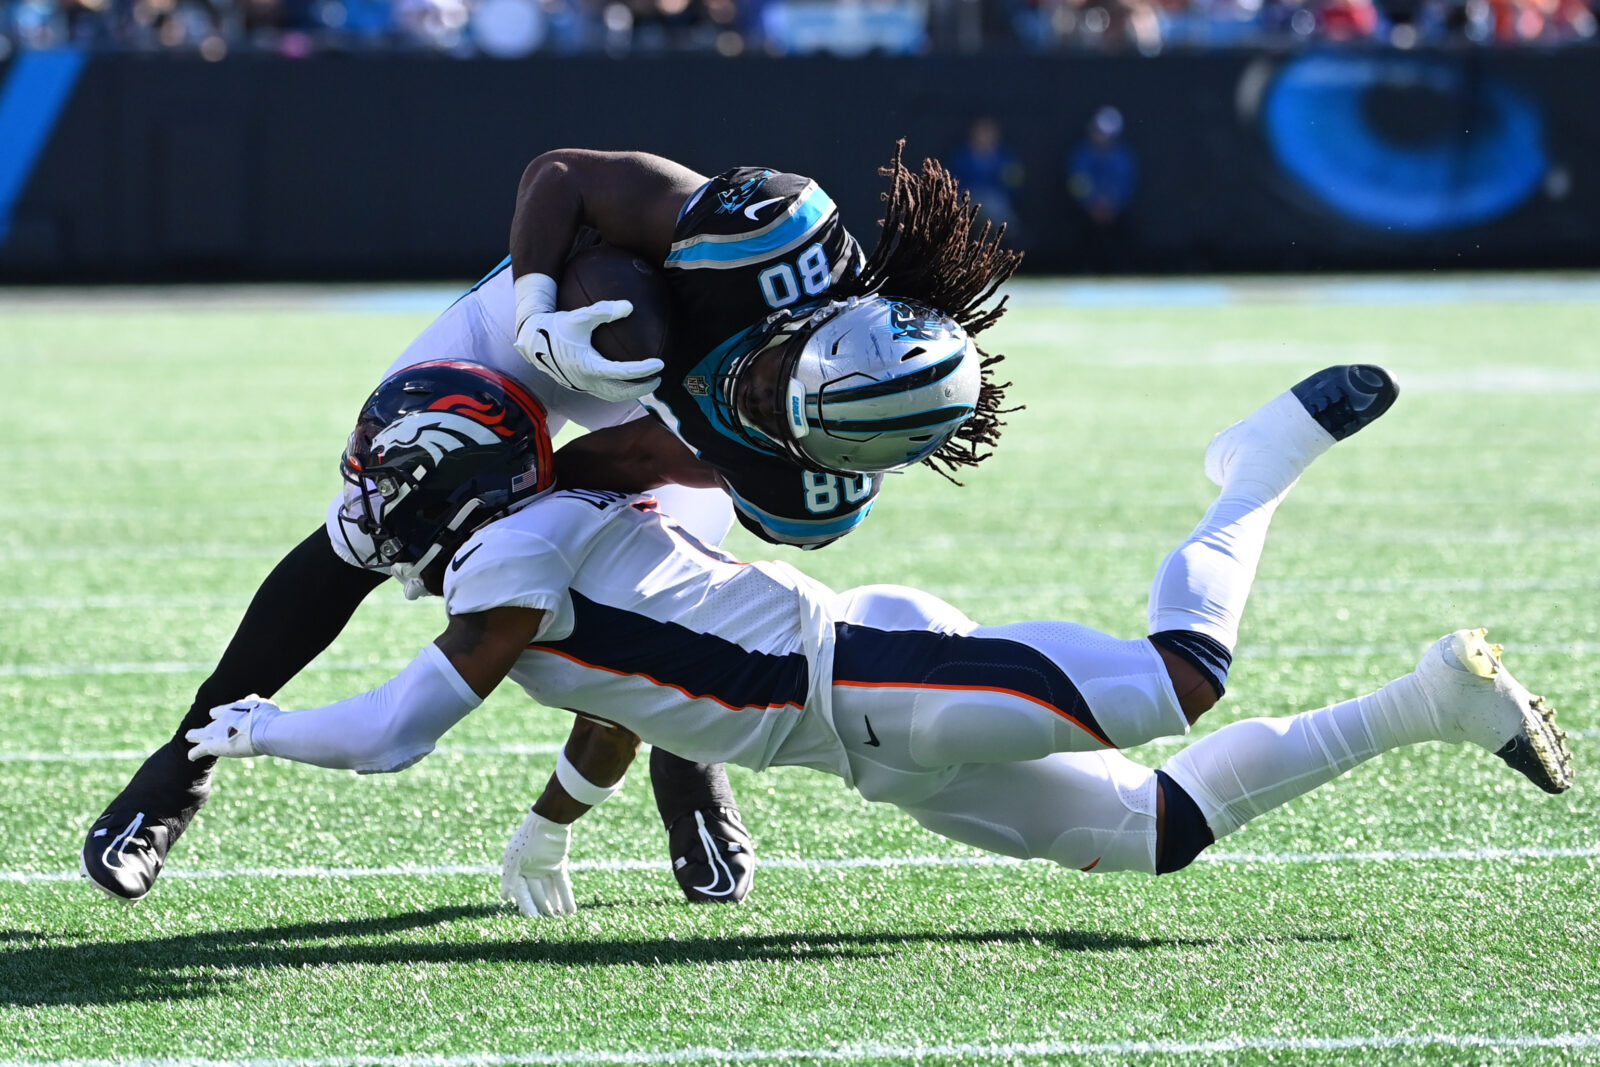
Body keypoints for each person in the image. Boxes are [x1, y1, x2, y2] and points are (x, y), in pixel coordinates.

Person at [186, 360, 1574, 917]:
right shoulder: (522, 564)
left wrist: (259, 723)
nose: (364, 490)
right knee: (1155, 832)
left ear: (441, 471)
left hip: (865, 672)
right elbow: (633, 698)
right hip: (862, 748)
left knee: (1181, 679)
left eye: (382, 467)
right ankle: (1433, 705)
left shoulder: (515, 557)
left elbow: (395, 733)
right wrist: (549, 827)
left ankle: (1256, 465)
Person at [82, 143, 1022, 906]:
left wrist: (505, 514)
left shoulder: (808, 491)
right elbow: (559, 177)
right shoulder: (774, 235)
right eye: (785, 372)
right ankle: (183, 760)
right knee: (379, 516)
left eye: (787, 414)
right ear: (832, 316)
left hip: (657, 428)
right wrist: (536, 305)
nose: (763, 393)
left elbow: (621, 467)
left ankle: (686, 768)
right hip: (564, 324)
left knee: (657, 594)